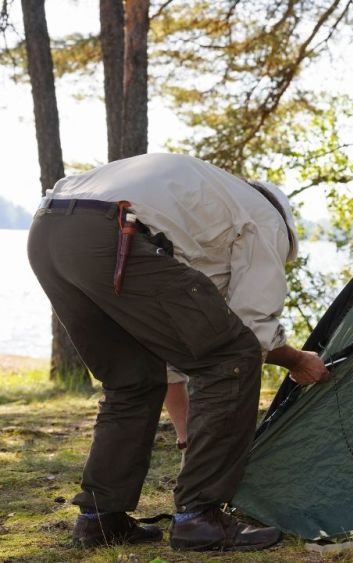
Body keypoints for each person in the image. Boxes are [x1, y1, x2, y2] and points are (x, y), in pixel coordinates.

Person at [27, 153, 331, 551]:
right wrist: (296, 359)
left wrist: (190, 439)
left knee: (132, 379)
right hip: (112, 233)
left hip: (49, 233)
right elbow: (250, 334)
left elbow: (177, 346)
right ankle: (198, 518)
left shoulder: (200, 209)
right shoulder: (264, 218)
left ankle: (100, 518)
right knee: (232, 356)